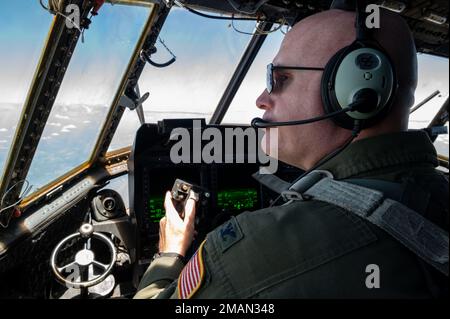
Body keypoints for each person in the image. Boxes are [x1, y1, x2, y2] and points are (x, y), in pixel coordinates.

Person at [134, 8, 448, 299]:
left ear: (353, 91)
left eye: (279, 79)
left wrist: (169, 254)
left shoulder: (258, 251)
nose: (261, 99)